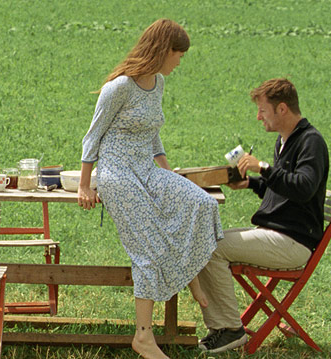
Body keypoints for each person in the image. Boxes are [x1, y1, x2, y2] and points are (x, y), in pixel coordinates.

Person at [78, 19, 223, 359]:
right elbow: (92, 136)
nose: (179, 62)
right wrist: (85, 185)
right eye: (178, 54)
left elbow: (153, 132)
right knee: (147, 249)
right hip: (117, 173)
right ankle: (143, 336)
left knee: (203, 204)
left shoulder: (157, 83)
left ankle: (190, 275)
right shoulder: (119, 88)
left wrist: (168, 175)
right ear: (163, 50)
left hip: (146, 168)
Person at [197, 78, 329, 353]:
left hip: (293, 243)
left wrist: (265, 168)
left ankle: (230, 330)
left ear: (282, 109)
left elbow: (304, 188)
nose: (258, 117)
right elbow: (284, 192)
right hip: (278, 235)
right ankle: (224, 328)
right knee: (204, 239)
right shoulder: (285, 140)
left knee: (210, 247)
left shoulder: (311, 141)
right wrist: (252, 183)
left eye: (263, 111)